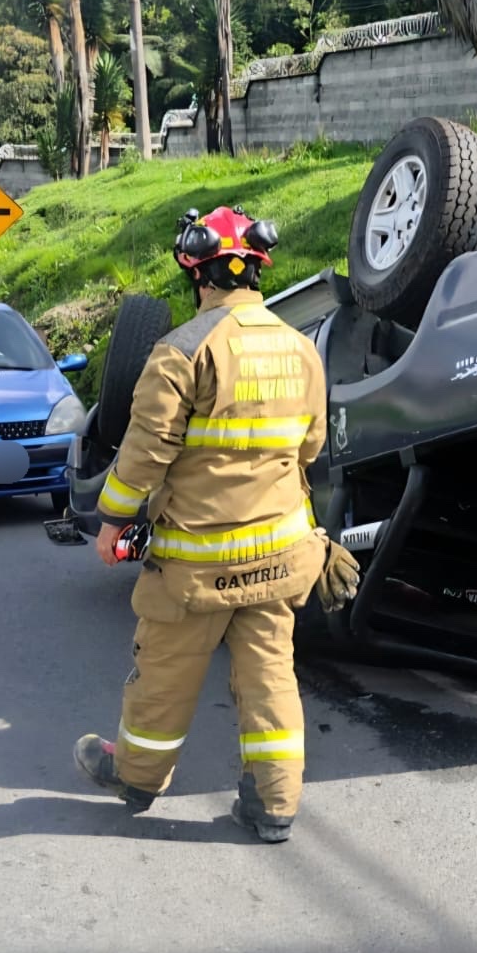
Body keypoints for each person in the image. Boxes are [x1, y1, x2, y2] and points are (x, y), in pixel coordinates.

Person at [74, 205, 362, 843]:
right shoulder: (300, 348)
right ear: (259, 271)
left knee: (165, 671)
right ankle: (274, 803)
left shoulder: (182, 350)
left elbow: (142, 455)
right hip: (283, 557)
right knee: (270, 676)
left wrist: (111, 521)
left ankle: (140, 778)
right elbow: (310, 447)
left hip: (196, 565)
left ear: (199, 276)